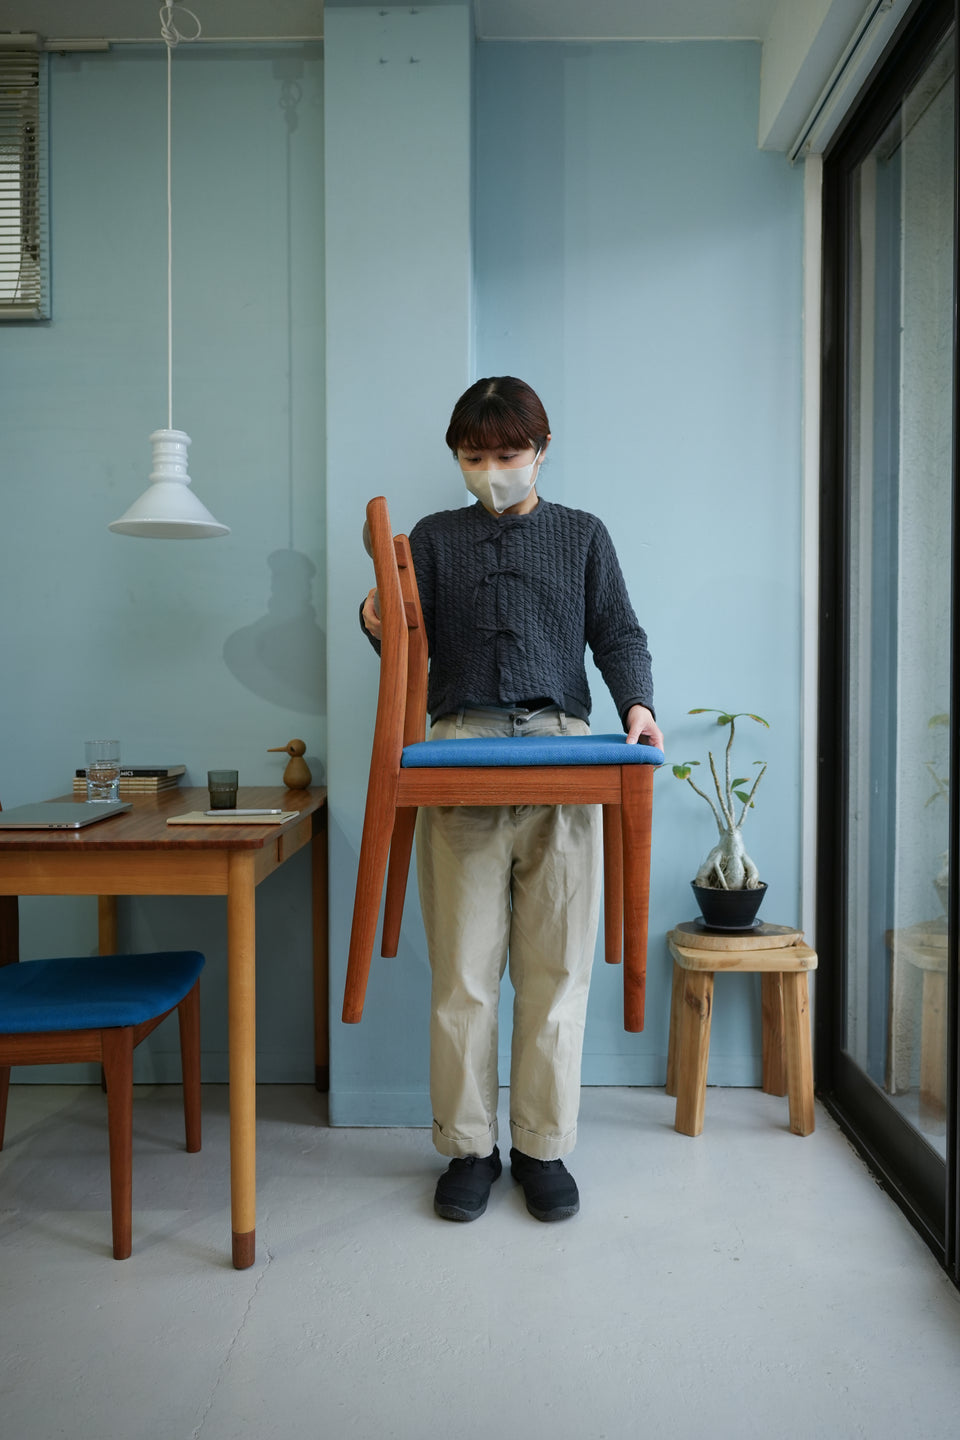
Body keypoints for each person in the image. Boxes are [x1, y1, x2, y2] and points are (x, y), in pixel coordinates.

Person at [361, 376, 662, 1224]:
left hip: (568, 750)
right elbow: (401, 635)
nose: (491, 470)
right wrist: (373, 615)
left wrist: (637, 705)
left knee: (557, 969)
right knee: (462, 971)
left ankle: (542, 1145)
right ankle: (467, 1146)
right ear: (455, 457)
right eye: (473, 457)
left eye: (507, 454)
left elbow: (620, 633)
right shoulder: (432, 538)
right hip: (457, 746)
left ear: (541, 451)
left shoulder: (582, 535)